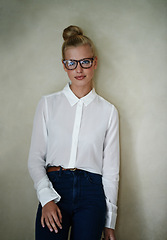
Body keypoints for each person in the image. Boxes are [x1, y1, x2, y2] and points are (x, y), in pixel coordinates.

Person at [28, 25, 120, 240]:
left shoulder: (108, 111)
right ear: (64, 66)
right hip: (54, 188)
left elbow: (111, 172)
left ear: (94, 63)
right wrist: (46, 199)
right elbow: (35, 159)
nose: (79, 70)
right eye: (72, 63)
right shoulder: (48, 104)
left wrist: (109, 222)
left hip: (92, 194)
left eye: (85, 62)